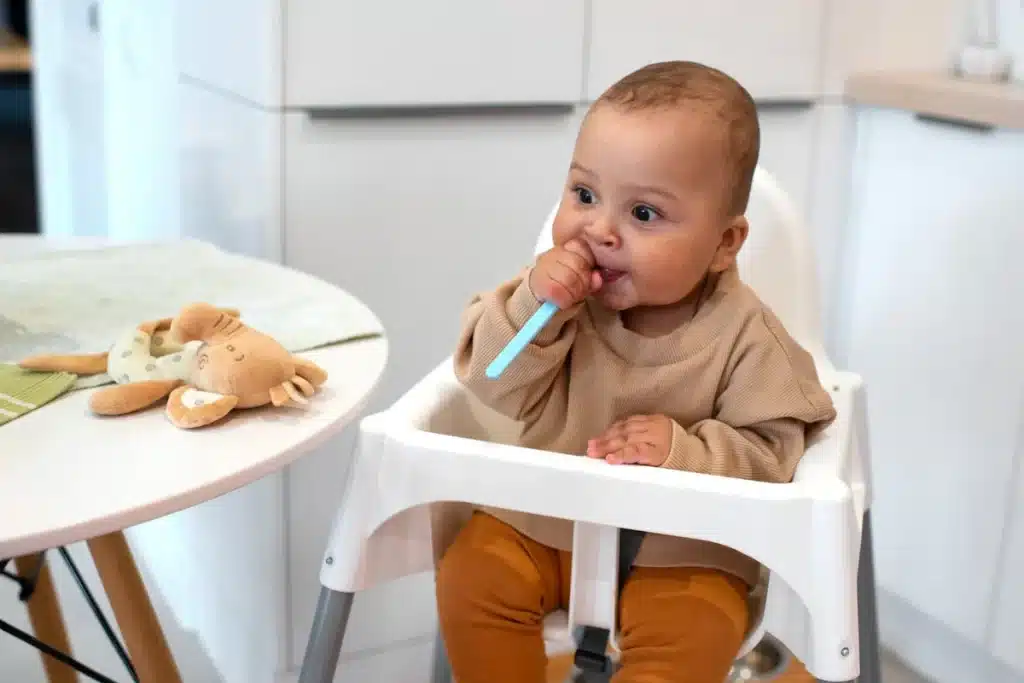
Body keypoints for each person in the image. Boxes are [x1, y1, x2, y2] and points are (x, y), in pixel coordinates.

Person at [437, 60, 837, 683]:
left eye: (644, 214)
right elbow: (487, 377)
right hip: (548, 521)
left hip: (684, 550)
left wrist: (684, 451)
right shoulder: (552, 304)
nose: (599, 229)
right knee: (472, 575)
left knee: (698, 627)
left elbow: (775, 454)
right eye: (584, 195)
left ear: (724, 244)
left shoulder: (752, 341)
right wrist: (533, 308)